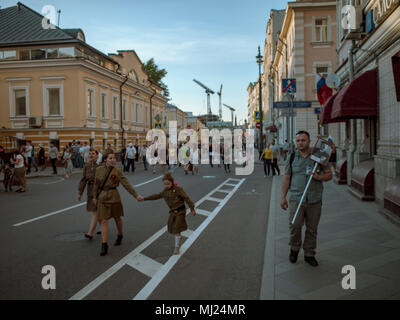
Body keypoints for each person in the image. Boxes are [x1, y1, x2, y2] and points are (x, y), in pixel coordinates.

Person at [280, 130, 332, 267]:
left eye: (303, 140)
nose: (300, 143)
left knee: (312, 229)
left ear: (309, 141)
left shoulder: (318, 156)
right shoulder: (292, 157)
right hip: (296, 198)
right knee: (295, 226)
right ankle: (294, 249)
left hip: (314, 199)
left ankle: (309, 253)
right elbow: (286, 178)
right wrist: (283, 197)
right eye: (298, 141)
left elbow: (329, 175)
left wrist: (318, 177)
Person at [93, 151, 143, 256]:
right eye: (110, 158)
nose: (113, 160)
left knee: (117, 218)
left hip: (114, 197)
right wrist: (94, 197)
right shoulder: (98, 170)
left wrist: (136, 195)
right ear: (105, 159)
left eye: (114, 158)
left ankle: (120, 235)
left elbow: (126, 184)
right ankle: (104, 244)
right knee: (104, 221)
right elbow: (96, 185)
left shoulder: (117, 171)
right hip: (102, 197)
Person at [141, 173, 196, 255]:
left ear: (172, 182)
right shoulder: (165, 191)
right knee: (172, 228)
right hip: (173, 212)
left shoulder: (178, 189)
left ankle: (177, 247)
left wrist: (192, 208)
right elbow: (156, 196)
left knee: (177, 228)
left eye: (168, 184)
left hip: (180, 211)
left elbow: (186, 198)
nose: (166, 185)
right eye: (165, 184)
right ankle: (179, 238)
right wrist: (144, 198)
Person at [78, 149, 101, 240]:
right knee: (96, 210)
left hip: (99, 190)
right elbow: (83, 180)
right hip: (90, 189)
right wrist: (80, 192)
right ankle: (103, 227)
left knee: (95, 211)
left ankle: (90, 233)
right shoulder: (87, 166)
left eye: (93, 154)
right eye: (90, 154)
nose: (91, 155)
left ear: (97, 155)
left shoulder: (100, 165)